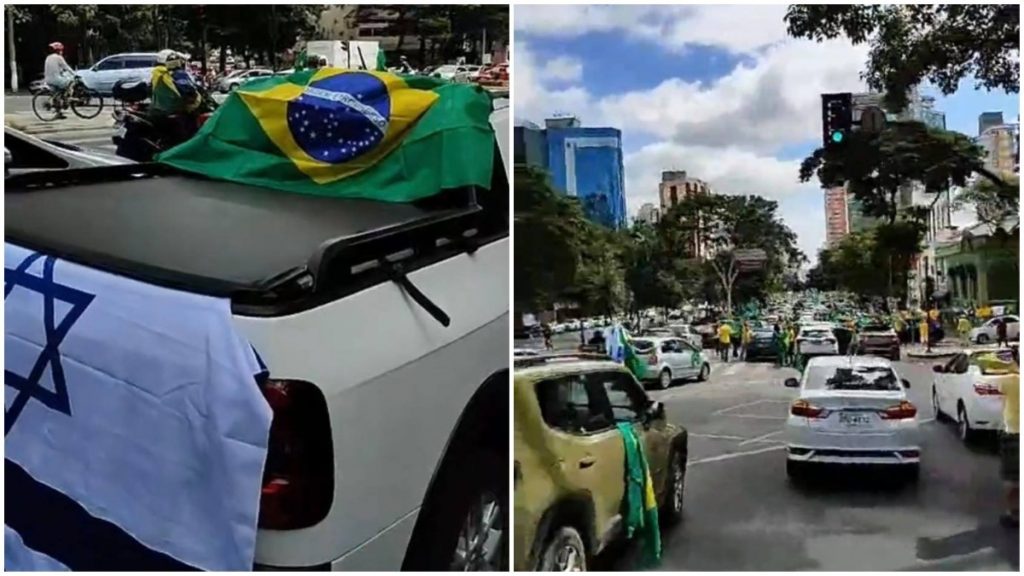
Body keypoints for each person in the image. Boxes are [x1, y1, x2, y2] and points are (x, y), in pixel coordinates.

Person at [998, 347, 1019, 527]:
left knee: (1013, 478)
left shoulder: (1010, 380)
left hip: (1014, 434)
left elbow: (999, 388)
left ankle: (1014, 514)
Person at [44, 41, 75, 118]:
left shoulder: (48, 57)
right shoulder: (58, 58)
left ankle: (58, 113)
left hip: (48, 80)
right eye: (61, 50)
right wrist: (74, 74)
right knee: (70, 83)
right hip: (56, 79)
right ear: (58, 50)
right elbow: (66, 67)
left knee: (57, 94)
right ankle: (65, 101)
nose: (62, 52)